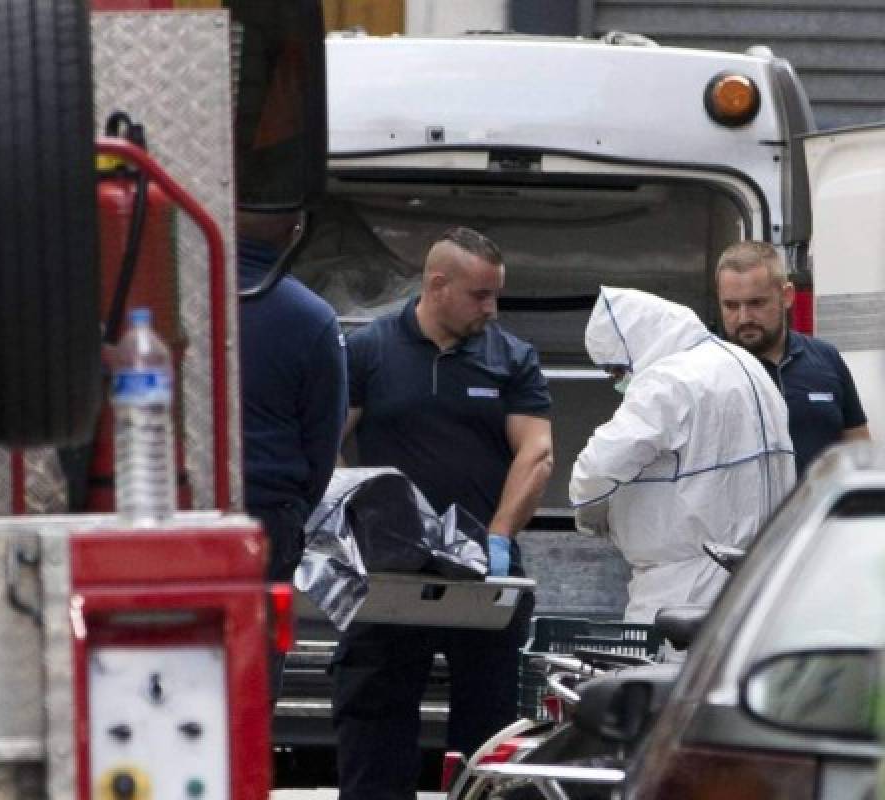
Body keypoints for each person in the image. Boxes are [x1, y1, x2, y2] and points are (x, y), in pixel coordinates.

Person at [333, 227, 552, 800]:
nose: (492, 308)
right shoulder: (371, 351)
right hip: (388, 574)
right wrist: (345, 520)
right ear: (437, 285)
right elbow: (327, 442)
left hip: (483, 574)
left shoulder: (511, 358)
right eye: (480, 294)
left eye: (495, 294)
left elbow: (537, 453)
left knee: (492, 731)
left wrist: (500, 536)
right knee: (373, 721)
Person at [569, 287, 795, 623]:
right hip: (762, 576)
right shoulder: (746, 365)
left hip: (683, 586)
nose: (619, 382)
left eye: (618, 371)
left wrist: (589, 513)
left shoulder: (667, 380)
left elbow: (598, 467)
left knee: (667, 674)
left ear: (636, 344)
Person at [237, 209, 347, 699]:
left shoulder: (165, 300)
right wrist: (293, 511)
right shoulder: (313, 319)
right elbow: (323, 442)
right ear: (297, 230)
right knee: (253, 676)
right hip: (266, 522)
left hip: (166, 514)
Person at [715, 240, 871, 475]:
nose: (743, 317)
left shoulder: (826, 359)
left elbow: (860, 450)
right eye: (731, 306)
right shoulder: (706, 372)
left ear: (787, 296)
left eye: (756, 303)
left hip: (816, 511)